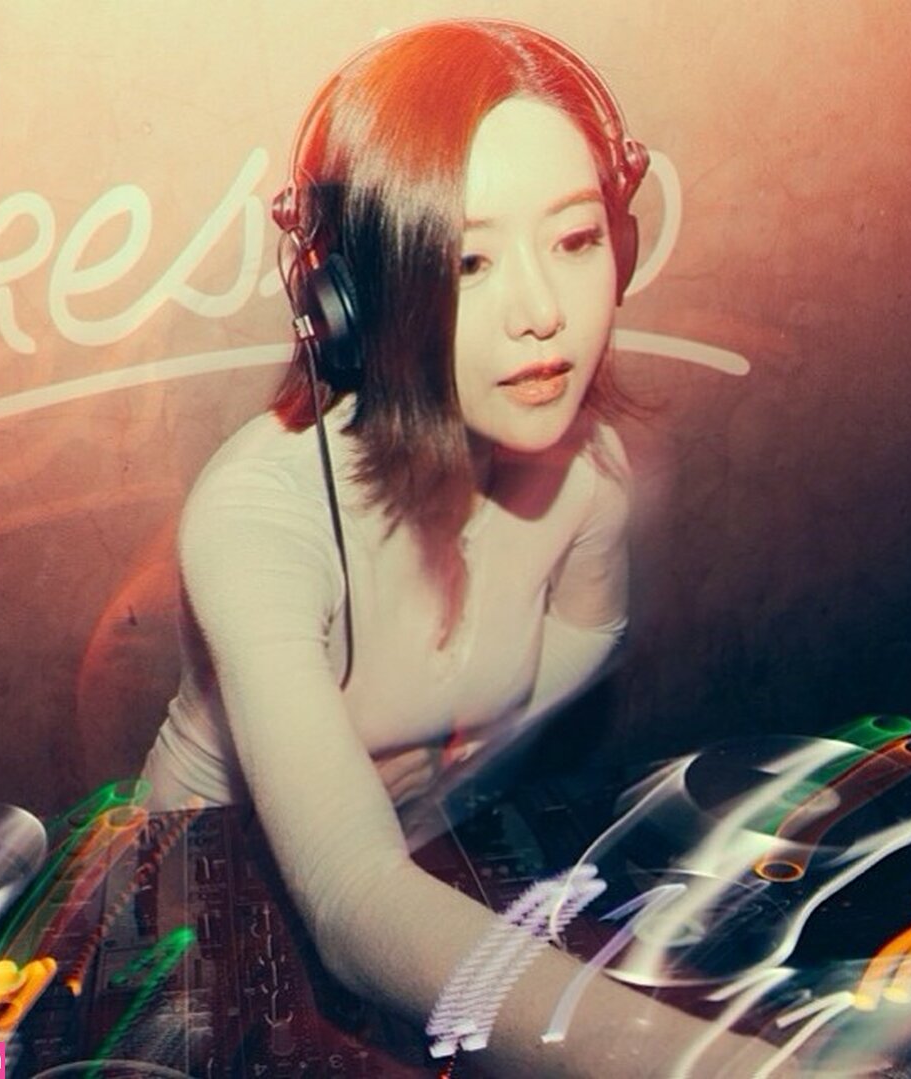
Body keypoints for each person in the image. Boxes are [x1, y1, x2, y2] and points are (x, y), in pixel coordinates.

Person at [143, 20, 794, 1076]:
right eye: (468, 259)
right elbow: (351, 896)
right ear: (350, 301)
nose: (542, 312)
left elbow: (589, 638)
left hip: (411, 883)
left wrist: (449, 752)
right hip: (198, 892)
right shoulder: (257, 515)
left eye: (575, 240)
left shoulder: (592, 474)